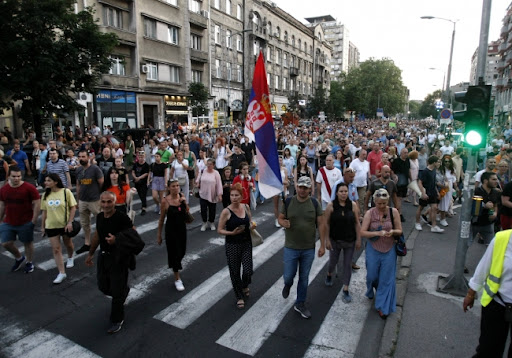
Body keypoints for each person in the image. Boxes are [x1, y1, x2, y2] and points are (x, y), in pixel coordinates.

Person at [85, 191, 136, 334]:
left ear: (114, 202)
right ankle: (123, 291)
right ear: (100, 202)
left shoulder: (122, 218)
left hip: (119, 258)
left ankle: (116, 319)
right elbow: (97, 235)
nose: (106, 205)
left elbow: (134, 236)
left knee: (116, 292)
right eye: (103, 201)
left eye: (109, 202)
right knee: (103, 286)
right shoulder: (100, 217)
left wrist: (117, 239)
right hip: (104, 256)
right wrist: (90, 254)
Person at [278, 176, 323, 319]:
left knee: (304, 277)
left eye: (305, 188)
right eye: (300, 187)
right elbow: (280, 217)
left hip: (308, 247)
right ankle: (287, 284)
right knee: (289, 275)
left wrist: (322, 244)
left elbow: (321, 224)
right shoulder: (289, 201)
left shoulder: (315, 203)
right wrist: (283, 223)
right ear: (296, 187)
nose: (302, 190)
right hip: (291, 246)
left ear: (310, 189)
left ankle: (300, 303)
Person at [463, 229, 512, 357]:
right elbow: (483, 267)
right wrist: (470, 294)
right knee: (488, 351)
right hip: (497, 304)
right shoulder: (502, 239)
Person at [360, 188, 402, 319]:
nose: (382, 206)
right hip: (374, 248)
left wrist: (393, 232)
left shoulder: (393, 212)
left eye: (384, 203)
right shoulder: (370, 213)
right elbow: (362, 232)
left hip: (389, 248)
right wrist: (377, 233)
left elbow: (400, 230)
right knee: (372, 276)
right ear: (374, 202)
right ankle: (371, 288)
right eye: (379, 203)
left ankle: (382, 306)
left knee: (386, 279)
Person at [218, 183, 257, 309]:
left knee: (248, 270)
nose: (234, 198)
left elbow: (250, 221)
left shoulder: (246, 207)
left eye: (236, 195)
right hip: (232, 245)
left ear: (241, 196)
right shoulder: (226, 211)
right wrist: (231, 233)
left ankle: (245, 284)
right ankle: (239, 296)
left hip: (246, 242)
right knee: (234, 272)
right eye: (232, 195)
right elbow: (219, 230)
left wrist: (252, 225)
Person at [322, 182, 361, 303]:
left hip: (350, 240)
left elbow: (357, 223)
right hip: (335, 240)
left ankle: (346, 288)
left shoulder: (353, 205)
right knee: (333, 262)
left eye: (345, 191)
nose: (344, 194)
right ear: (337, 193)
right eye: (341, 192)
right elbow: (326, 223)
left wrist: (359, 239)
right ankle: (329, 274)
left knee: (347, 264)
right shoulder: (331, 206)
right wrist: (327, 240)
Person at [0, 166, 40, 273]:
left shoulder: (29, 188)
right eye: (14, 176)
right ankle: (19, 257)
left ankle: (29, 262)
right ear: (9, 176)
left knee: (27, 243)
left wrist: (34, 220)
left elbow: (37, 203)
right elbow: (2, 205)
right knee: (5, 243)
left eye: (18, 176)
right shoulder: (4, 189)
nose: (16, 178)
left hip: (25, 221)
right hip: (9, 221)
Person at [41, 174, 77, 284]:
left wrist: (70, 222)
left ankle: (70, 256)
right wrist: (43, 226)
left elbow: (73, 207)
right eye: (45, 180)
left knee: (68, 244)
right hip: (51, 225)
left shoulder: (66, 192)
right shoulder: (45, 195)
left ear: (56, 182)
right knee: (56, 249)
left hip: (64, 224)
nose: (46, 182)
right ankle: (62, 272)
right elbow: (44, 211)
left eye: (48, 180)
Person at [157, 179, 190, 291]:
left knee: (182, 252)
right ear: (169, 188)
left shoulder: (182, 196)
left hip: (182, 229)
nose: (176, 188)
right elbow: (161, 219)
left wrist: (184, 202)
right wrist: (159, 235)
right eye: (173, 186)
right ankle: (177, 278)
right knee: (174, 254)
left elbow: (187, 213)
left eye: (177, 186)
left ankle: (176, 267)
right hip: (171, 231)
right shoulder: (165, 201)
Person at [75, 150, 104, 254]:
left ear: (88, 157)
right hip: (83, 200)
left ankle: (103, 242)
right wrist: (78, 200)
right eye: (80, 157)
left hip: (94, 200)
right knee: (85, 223)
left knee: (101, 221)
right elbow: (78, 185)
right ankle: (87, 243)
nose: (81, 158)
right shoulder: (78, 170)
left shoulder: (95, 169)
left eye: (83, 156)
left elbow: (101, 183)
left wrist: (99, 196)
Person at [415, 156, 444, 233]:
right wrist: (423, 193)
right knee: (421, 208)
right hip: (425, 192)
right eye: (438, 162)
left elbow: (433, 182)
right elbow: (420, 182)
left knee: (434, 208)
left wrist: (437, 192)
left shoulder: (434, 170)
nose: (439, 163)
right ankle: (417, 223)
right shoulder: (425, 171)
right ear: (434, 162)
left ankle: (434, 226)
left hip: (432, 192)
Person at [472, 172, 499, 245]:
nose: (496, 181)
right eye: (493, 179)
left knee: (491, 246)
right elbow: (468, 206)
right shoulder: (476, 191)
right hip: (474, 223)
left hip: (488, 223)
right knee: (465, 245)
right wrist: (484, 205)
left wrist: (495, 213)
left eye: (496, 179)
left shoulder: (495, 192)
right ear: (485, 181)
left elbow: (495, 205)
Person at [196, 159, 223, 231]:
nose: (209, 165)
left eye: (210, 164)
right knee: (203, 209)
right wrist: (197, 183)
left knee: (212, 209)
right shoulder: (202, 171)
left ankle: (211, 222)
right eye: (208, 164)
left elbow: (219, 184)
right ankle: (204, 222)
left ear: (213, 165)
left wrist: (219, 194)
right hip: (203, 194)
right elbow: (198, 180)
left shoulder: (216, 173)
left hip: (212, 194)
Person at [391, 148, 410, 222]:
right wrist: (394, 176)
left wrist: (411, 179)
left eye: (407, 152)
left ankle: (398, 213)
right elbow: (392, 170)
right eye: (405, 152)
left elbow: (408, 170)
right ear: (401, 153)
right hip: (398, 182)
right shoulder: (396, 161)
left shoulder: (408, 161)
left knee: (401, 198)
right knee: (398, 198)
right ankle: (399, 214)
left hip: (405, 181)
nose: (406, 154)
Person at [350, 149, 370, 215]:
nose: (364, 156)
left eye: (365, 155)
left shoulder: (367, 163)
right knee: (354, 199)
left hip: (363, 184)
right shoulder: (354, 162)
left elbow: (367, 172)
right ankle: (353, 213)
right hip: (354, 184)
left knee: (361, 200)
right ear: (360, 154)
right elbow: (350, 171)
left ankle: (360, 214)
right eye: (363, 154)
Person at [132, 150, 150, 216]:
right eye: (139, 156)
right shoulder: (136, 164)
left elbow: (146, 173)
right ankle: (143, 204)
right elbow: (133, 171)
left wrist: (139, 178)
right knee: (139, 194)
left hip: (143, 182)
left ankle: (144, 207)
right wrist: (135, 177)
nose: (141, 158)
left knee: (143, 195)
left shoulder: (146, 165)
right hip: (137, 182)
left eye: (142, 156)